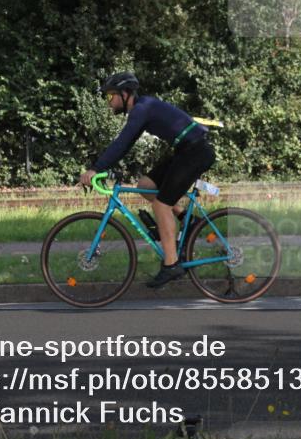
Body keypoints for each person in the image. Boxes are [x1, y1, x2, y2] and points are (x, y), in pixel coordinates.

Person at [79, 72, 215, 288]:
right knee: (146, 186)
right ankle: (186, 220)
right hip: (185, 151)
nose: (108, 102)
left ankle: (171, 264)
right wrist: (101, 166)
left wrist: (96, 168)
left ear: (125, 94)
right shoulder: (143, 107)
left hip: (195, 153)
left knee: (161, 206)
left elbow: (122, 142)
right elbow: (125, 144)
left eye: (110, 96)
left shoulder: (141, 109)